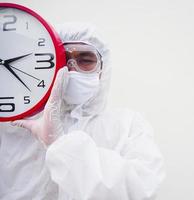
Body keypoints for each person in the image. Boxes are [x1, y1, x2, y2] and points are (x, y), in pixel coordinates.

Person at [0, 22, 165, 200]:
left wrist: (60, 145)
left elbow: (140, 191)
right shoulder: (15, 126)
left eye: (85, 60)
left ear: (103, 69)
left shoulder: (126, 126)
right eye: (63, 60)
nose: (71, 69)